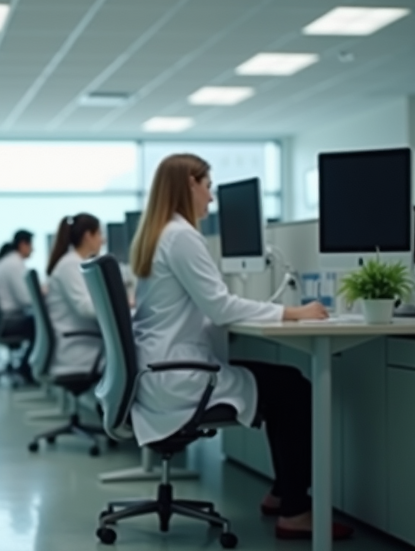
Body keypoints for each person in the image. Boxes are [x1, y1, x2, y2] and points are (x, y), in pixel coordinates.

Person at [128, 153, 352, 540]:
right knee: (294, 390)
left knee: (284, 385)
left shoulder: (160, 234)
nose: (210, 199)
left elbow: (206, 304)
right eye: (208, 186)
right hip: (177, 375)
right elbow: (220, 306)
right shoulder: (180, 236)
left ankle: (284, 494)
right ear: (190, 186)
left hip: (162, 368)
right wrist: (292, 312)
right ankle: (295, 510)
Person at [45, 214, 105, 375]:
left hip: (80, 341)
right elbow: (85, 308)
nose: (103, 240)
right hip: (78, 348)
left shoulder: (73, 262)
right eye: (99, 234)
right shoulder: (71, 265)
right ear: (87, 236)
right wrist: (121, 303)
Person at [0, 230, 37, 384]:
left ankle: (26, 367)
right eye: (31, 246)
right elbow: (25, 299)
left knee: (38, 322)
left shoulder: (7, 261)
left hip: (2, 318)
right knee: (43, 326)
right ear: (23, 245)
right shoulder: (15, 264)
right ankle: (27, 370)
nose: (33, 250)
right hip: (9, 320)